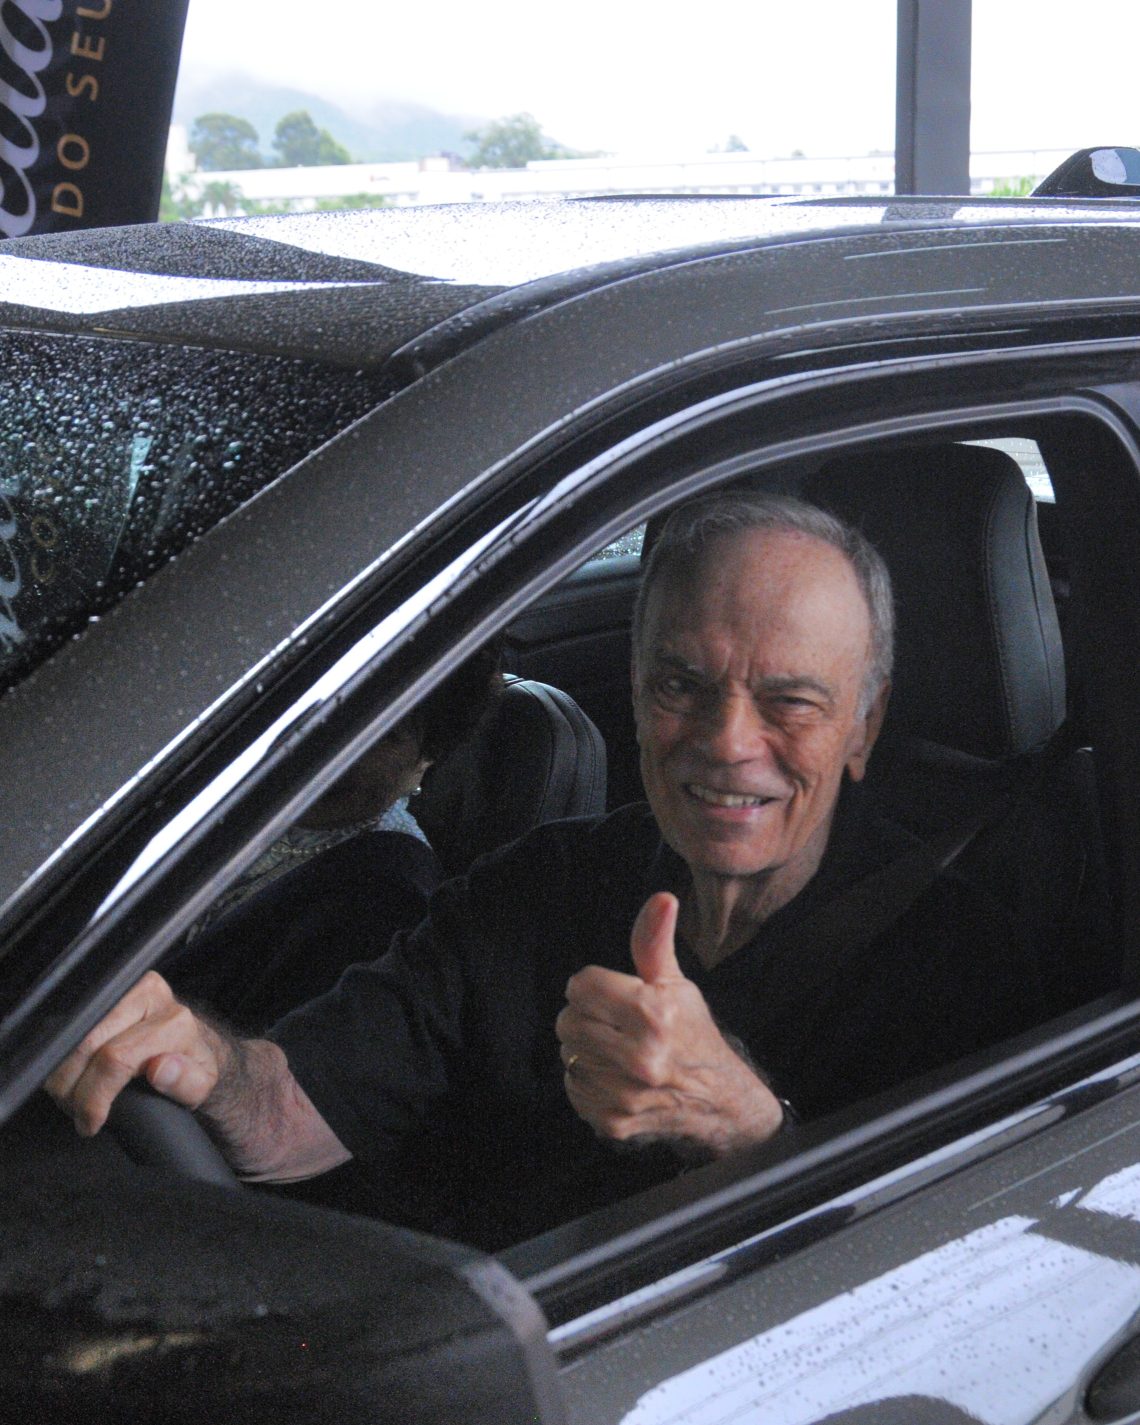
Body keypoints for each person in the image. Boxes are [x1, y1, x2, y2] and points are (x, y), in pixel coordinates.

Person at [45, 492, 1049, 1247]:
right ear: (635, 691)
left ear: (863, 726)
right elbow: (298, 1106)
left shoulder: (965, 968)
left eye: (789, 701)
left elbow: (943, 1293)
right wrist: (202, 1063)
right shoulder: (536, 889)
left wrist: (745, 1128)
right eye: (681, 685)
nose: (726, 741)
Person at [160, 645, 502, 1030]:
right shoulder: (229, 799)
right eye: (331, 708)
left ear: (428, 755)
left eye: (382, 733)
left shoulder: (386, 895)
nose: (337, 745)